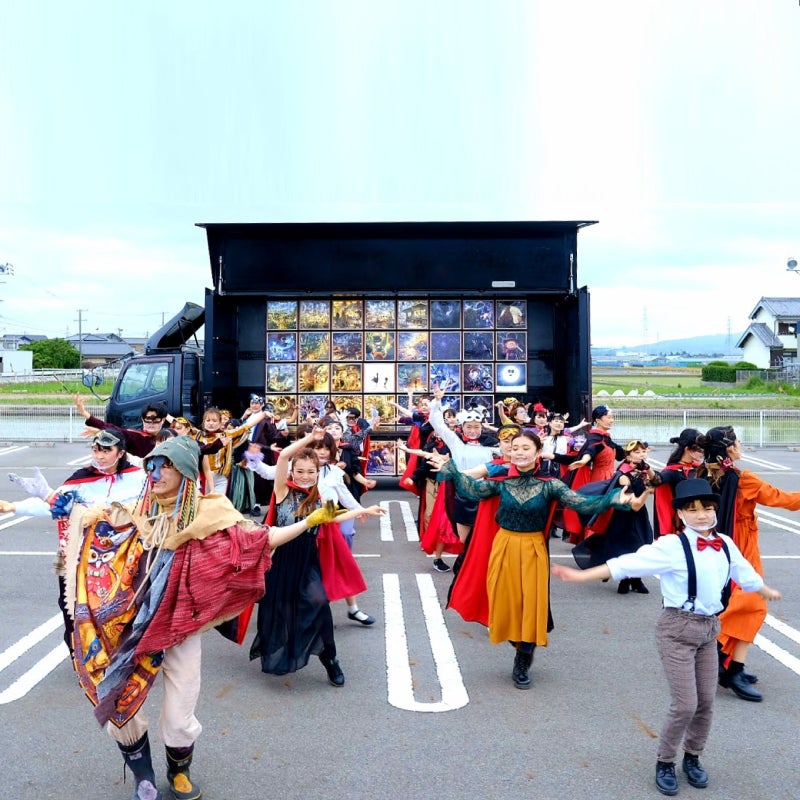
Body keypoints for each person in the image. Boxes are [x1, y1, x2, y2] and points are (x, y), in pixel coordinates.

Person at [22, 434, 347, 800]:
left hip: (183, 626)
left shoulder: (212, 512)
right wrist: (50, 496)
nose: (156, 473)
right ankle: (143, 775)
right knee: (121, 700)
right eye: (153, 465)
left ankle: (179, 771)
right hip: (132, 625)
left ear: (186, 472)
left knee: (180, 714)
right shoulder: (138, 509)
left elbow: (261, 538)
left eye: (167, 466)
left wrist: (309, 521)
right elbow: (93, 520)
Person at [551, 479, 781, 796]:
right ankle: (665, 761)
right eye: (692, 510)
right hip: (677, 629)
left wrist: (765, 590)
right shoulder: (672, 546)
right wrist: (581, 575)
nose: (701, 515)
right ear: (681, 515)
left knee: (706, 703)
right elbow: (627, 563)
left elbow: (744, 572)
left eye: (707, 508)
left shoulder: (725, 544)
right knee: (685, 704)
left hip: (709, 628)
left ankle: (693, 756)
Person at [435, 431, 634, 689]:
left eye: (525, 448)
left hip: (532, 548)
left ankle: (523, 658)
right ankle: (518, 641)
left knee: (531, 603)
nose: (519, 452)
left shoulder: (550, 484)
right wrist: (450, 468)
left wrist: (614, 499)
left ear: (538, 452)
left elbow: (581, 503)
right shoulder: (501, 481)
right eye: (515, 447)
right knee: (502, 600)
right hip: (503, 545)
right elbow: (472, 489)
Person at [249, 431, 385, 685]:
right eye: (300, 471)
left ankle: (331, 660)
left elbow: (334, 516)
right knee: (279, 611)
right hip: (281, 561)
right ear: (292, 472)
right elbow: (284, 456)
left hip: (308, 561)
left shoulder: (321, 498)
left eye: (311, 471)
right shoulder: (282, 490)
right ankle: (278, 651)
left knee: (320, 607)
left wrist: (363, 509)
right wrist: (310, 438)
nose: (305, 476)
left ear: (318, 472)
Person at [1, 429, 146, 656]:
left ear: (120, 453)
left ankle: (117, 655)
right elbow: (53, 502)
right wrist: (14, 506)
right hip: (77, 553)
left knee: (116, 607)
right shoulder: (81, 478)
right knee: (70, 605)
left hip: (120, 557)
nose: (99, 456)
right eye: (96, 450)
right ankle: (78, 654)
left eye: (106, 451)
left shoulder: (139, 478)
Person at [696, 425, 800, 702]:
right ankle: (730, 666)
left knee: (731, 603)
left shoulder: (704, 473)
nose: (741, 445)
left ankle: (724, 661)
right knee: (752, 606)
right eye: (739, 442)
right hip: (741, 546)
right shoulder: (743, 478)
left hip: (715, 545)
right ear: (730, 448)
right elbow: (782, 499)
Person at [571, 439, 657, 594]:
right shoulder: (623, 475)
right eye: (637, 452)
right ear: (628, 456)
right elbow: (635, 505)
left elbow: (657, 480)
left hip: (639, 515)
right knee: (627, 547)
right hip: (624, 515)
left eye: (643, 451)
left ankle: (635, 579)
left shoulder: (641, 471)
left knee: (641, 544)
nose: (641, 454)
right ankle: (625, 579)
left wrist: (648, 468)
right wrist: (647, 491)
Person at [563, 404, 626, 544]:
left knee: (608, 512)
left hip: (610, 478)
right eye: (608, 417)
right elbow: (589, 451)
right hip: (600, 479)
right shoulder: (594, 438)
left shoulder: (606, 438)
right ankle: (590, 543)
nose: (612, 420)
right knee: (598, 512)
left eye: (612, 417)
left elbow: (620, 455)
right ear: (598, 420)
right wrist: (583, 460)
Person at [75, 395, 168, 458]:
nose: (151, 423)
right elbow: (115, 430)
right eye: (148, 419)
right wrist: (86, 414)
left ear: (163, 420)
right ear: (142, 419)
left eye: (156, 419)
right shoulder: (136, 436)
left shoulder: (169, 437)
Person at [653, 429, 703, 538]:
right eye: (699, 449)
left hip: (700, 519)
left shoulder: (700, 468)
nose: (702, 453)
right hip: (681, 522)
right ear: (687, 449)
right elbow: (658, 480)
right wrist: (648, 470)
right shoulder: (672, 472)